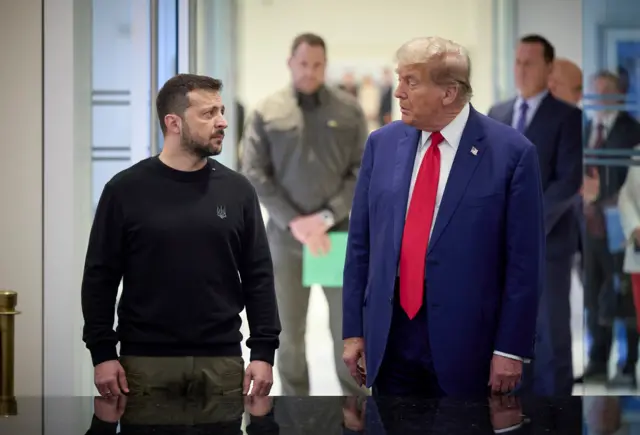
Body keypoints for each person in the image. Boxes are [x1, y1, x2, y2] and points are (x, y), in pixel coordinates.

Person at [342, 36, 545, 398]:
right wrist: (353, 330)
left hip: (470, 344)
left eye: (411, 82)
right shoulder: (381, 144)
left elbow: (525, 264)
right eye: (399, 79)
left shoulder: (512, 154)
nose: (399, 92)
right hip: (389, 338)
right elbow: (361, 244)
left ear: (449, 93)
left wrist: (510, 349)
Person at [81, 74, 280, 398]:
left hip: (221, 361)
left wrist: (263, 352)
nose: (223, 122)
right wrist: (102, 353)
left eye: (222, 111)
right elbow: (99, 277)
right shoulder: (124, 190)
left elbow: (258, 275)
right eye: (208, 113)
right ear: (173, 123)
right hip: (144, 364)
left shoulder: (238, 191)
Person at [241, 33, 368, 396]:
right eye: (303, 63)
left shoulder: (348, 110)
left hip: (336, 237)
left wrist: (325, 218)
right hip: (287, 239)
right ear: (290, 62)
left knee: (347, 333)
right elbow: (253, 171)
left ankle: (356, 413)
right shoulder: (267, 111)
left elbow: (362, 170)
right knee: (289, 334)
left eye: (317, 65)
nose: (310, 71)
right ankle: (297, 414)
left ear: (325, 66)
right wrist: (296, 222)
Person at [487, 35, 583, 396]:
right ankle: (514, 411)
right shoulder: (496, 114)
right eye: (518, 62)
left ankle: (557, 416)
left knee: (550, 331)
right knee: (510, 333)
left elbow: (568, 179)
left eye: (530, 63)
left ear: (548, 67)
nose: (522, 70)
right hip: (498, 247)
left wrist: (525, 229)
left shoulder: (568, 118)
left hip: (548, 243)